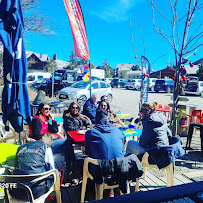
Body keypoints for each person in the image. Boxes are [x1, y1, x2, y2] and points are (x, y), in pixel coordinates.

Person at [10, 133, 55, 200]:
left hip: (17, 191)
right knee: (55, 174)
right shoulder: (46, 147)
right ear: (49, 143)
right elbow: (52, 169)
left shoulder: (20, 147)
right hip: (36, 190)